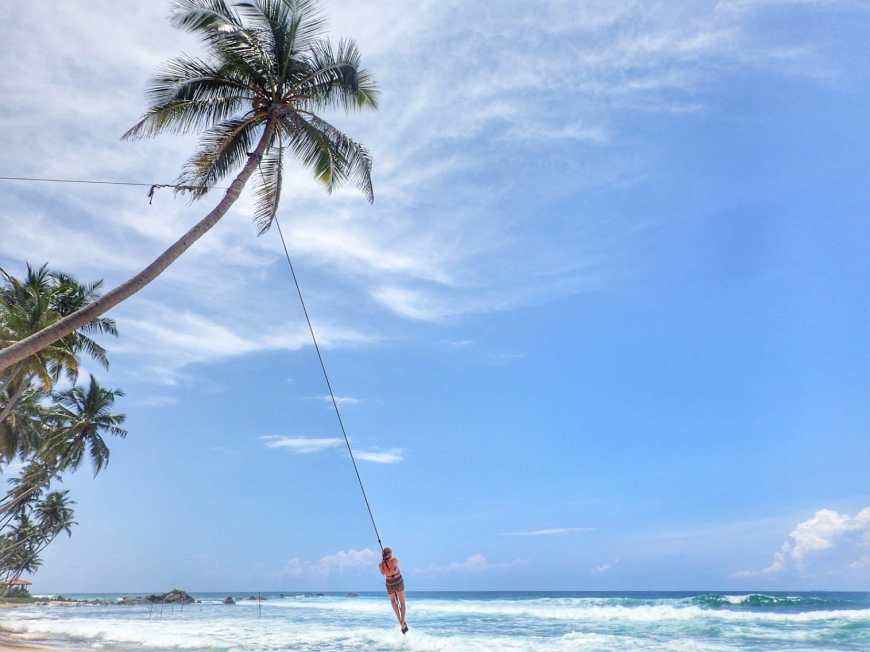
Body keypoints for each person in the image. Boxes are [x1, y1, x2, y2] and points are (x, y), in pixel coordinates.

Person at [379, 546, 408, 633]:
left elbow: (383, 573)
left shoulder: (381, 565)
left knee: (393, 602)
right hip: (398, 580)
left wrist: (385, 563)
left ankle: (401, 623)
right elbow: (396, 567)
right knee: (402, 603)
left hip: (389, 582)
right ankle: (403, 622)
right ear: (390, 554)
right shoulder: (394, 560)